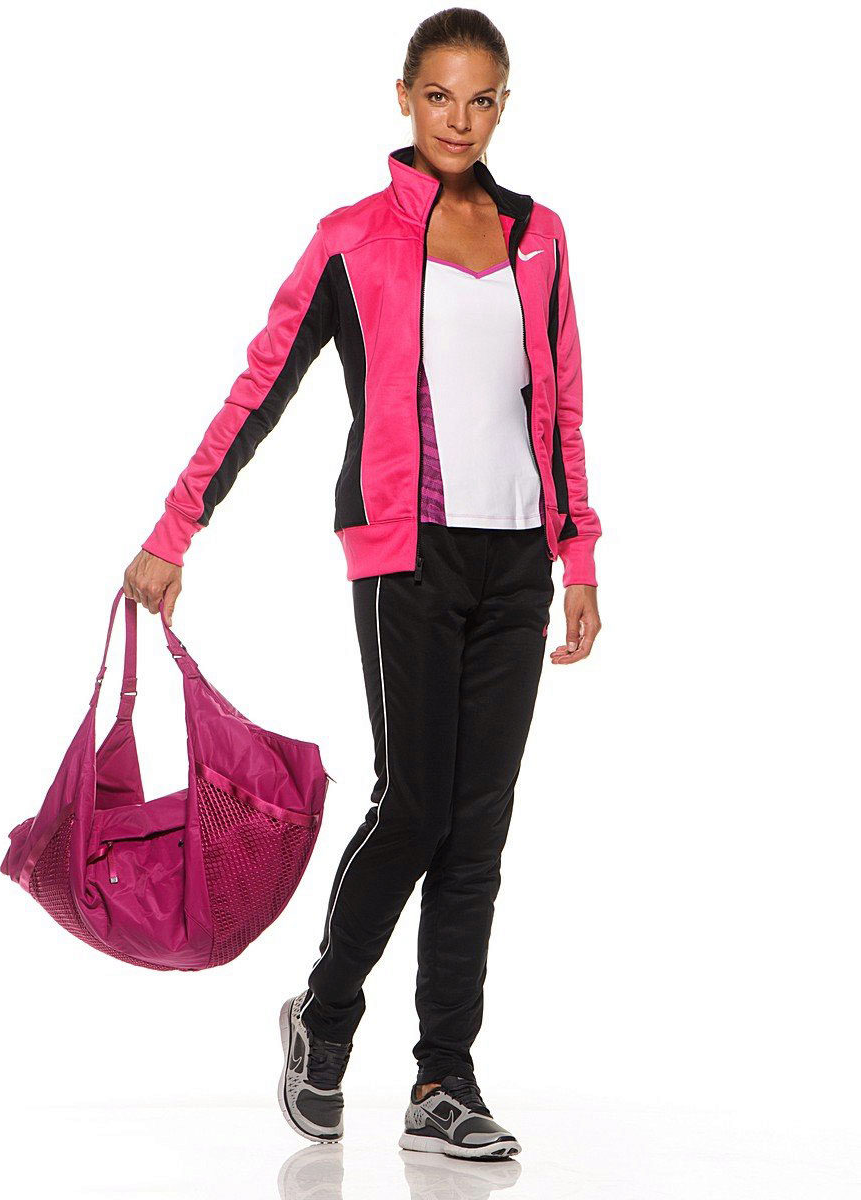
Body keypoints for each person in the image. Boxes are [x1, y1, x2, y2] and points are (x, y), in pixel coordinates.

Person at [124, 8, 602, 1162]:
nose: (458, 119)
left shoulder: (539, 237)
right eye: (438, 95)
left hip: (516, 561)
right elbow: (261, 387)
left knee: (477, 830)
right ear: (403, 97)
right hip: (406, 556)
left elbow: (561, 407)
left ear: (503, 106)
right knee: (414, 806)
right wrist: (175, 530)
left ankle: (444, 1079)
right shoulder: (352, 240)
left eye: (480, 99)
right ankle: (325, 1020)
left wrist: (577, 552)